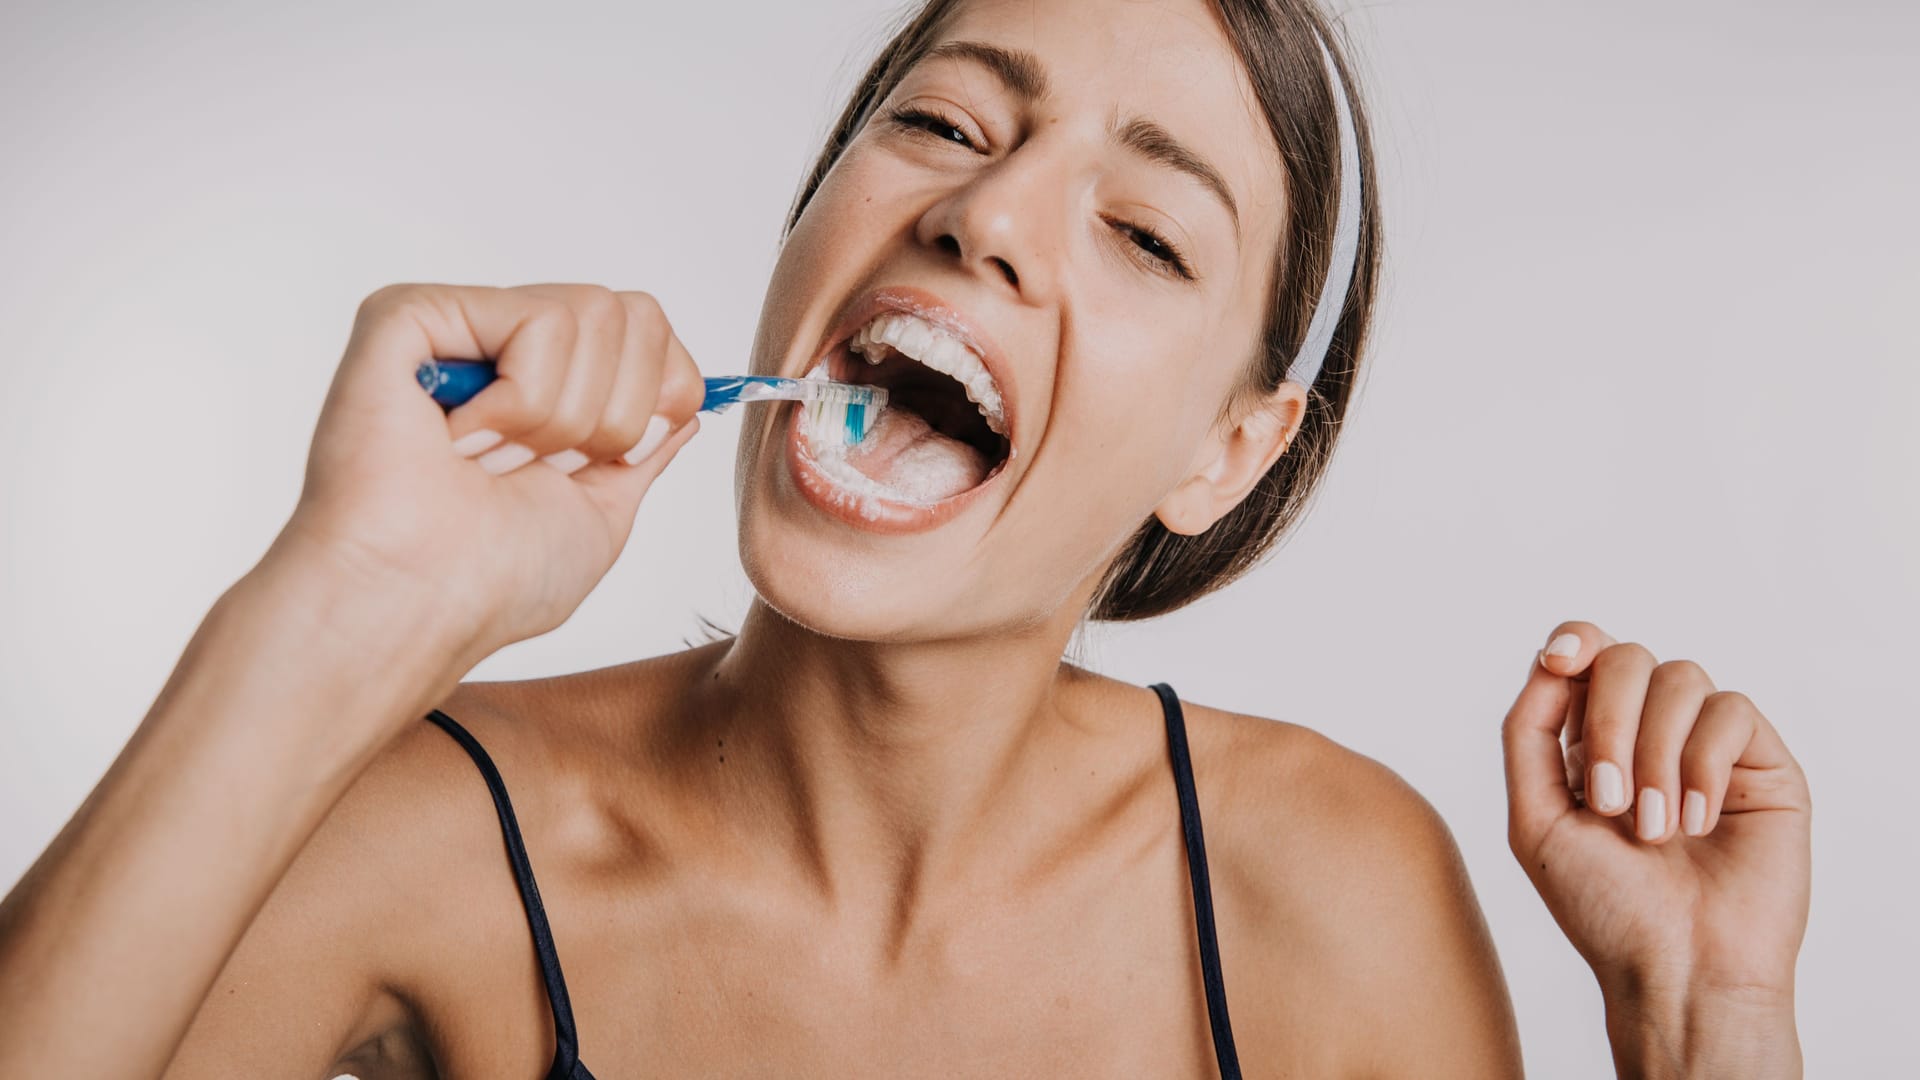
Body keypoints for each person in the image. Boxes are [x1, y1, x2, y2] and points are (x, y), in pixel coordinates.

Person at [0, 0, 1810, 1076]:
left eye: (1148, 233)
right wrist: (339, 609)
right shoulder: (428, 835)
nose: (993, 213)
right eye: (945, 121)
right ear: (810, 243)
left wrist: (1706, 1018)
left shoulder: (1326, 889)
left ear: (1227, 454)